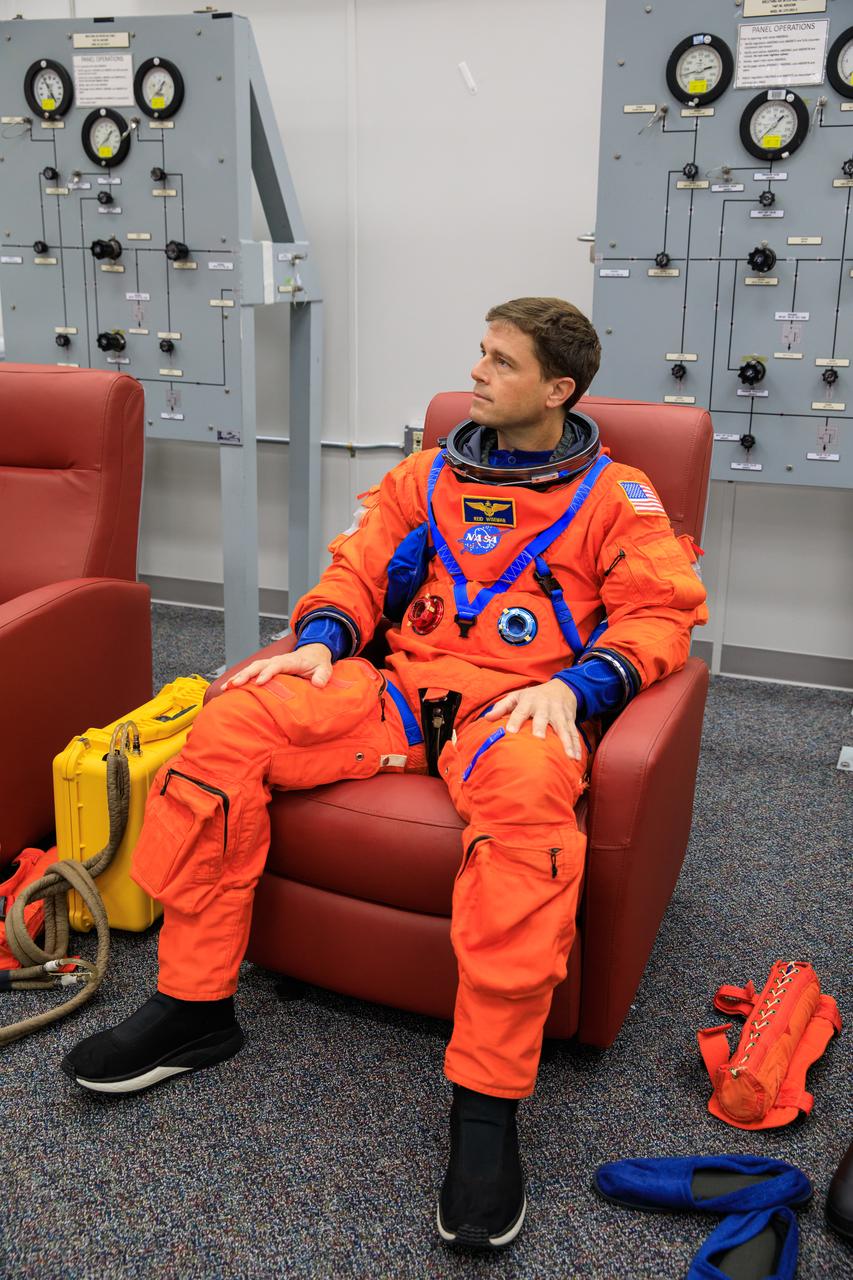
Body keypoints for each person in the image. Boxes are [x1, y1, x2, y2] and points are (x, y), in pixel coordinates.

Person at [63, 297, 708, 1250]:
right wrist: (320, 641)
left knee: (528, 825)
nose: (476, 373)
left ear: (558, 389)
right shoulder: (426, 474)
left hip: (517, 708)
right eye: (478, 354)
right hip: (400, 692)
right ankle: (194, 1005)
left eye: (500, 361)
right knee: (231, 722)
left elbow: (659, 615)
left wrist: (579, 690)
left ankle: (485, 1107)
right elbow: (355, 574)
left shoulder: (618, 498)